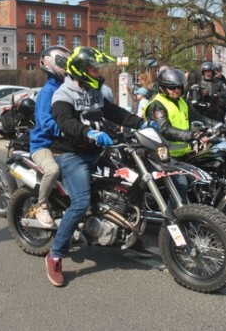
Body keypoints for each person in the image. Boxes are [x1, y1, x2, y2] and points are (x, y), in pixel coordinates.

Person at [46, 46, 152, 287]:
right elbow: (67, 123)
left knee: (133, 183)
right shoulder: (63, 94)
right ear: (81, 70)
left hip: (98, 151)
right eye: (93, 68)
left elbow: (115, 113)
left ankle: (131, 236)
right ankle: (55, 255)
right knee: (81, 202)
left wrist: (143, 123)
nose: (97, 72)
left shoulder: (94, 92)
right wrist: (89, 132)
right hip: (72, 155)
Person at [145, 67, 208, 202]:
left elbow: (199, 117)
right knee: (181, 185)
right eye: (172, 88)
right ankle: (171, 220)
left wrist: (223, 125)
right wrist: (192, 135)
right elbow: (165, 129)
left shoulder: (182, 102)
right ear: (163, 87)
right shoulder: (158, 105)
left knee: (202, 179)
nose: (177, 90)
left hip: (183, 155)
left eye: (179, 87)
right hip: (164, 157)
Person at [29, 46, 71, 228]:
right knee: (52, 170)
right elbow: (45, 122)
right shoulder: (48, 91)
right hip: (43, 144)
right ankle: (42, 205)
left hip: (63, 144)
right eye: (64, 63)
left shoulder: (67, 88)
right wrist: (65, 131)